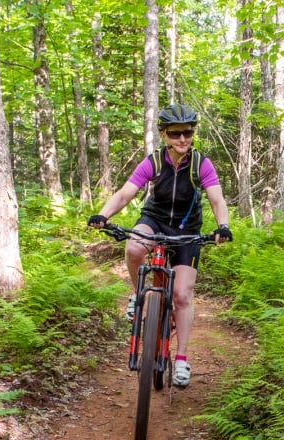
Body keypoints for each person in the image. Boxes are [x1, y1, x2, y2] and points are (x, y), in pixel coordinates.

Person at [88, 104, 232, 388]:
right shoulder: (153, 162)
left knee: (181, 295)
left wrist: (223, 226)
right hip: (153, 220)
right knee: (133, 248)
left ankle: (181, 360)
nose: (182, 139)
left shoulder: (201, 163)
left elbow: (216, 199)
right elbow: (126, 193)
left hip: (187, 230)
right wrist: (104, 215)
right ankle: (136, 294)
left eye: (188, 132)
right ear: (164, 135)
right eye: (176, 133)